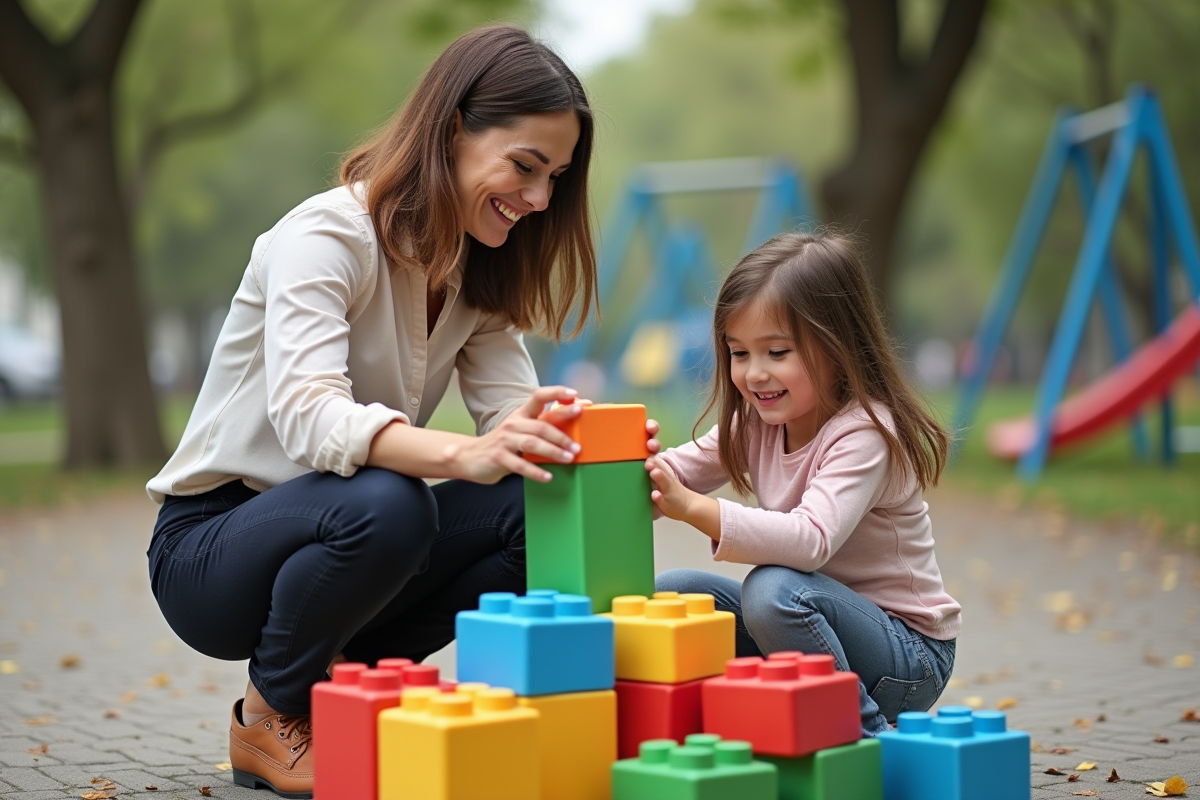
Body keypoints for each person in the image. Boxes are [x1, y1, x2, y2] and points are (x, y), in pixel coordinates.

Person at [145, 25, 659, 799]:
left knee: (540, 496)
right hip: (213, 549)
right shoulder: (324, 237)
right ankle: (270, 713)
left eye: (554, 176)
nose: (540, 199)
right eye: (524, 167)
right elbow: (309, 417)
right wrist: (460, 457)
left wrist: (597, 454)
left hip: (347, 533)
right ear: (454, 129)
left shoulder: (477, 274)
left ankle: (347, 689)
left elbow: (513, 419)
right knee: (390, 502)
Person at [645, 232, 959, 737]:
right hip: (814, 625)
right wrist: (617, 462)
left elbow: (809, 540)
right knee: (674, 594)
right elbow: (674, 474)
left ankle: (865, 741)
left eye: (776, 351)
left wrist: (692, 508)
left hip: (906, 656)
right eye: (739, 353)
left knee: (772, 591)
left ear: (837, 347)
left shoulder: (865, 431)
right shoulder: (755, 421)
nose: (755, 374)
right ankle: (729, 729)